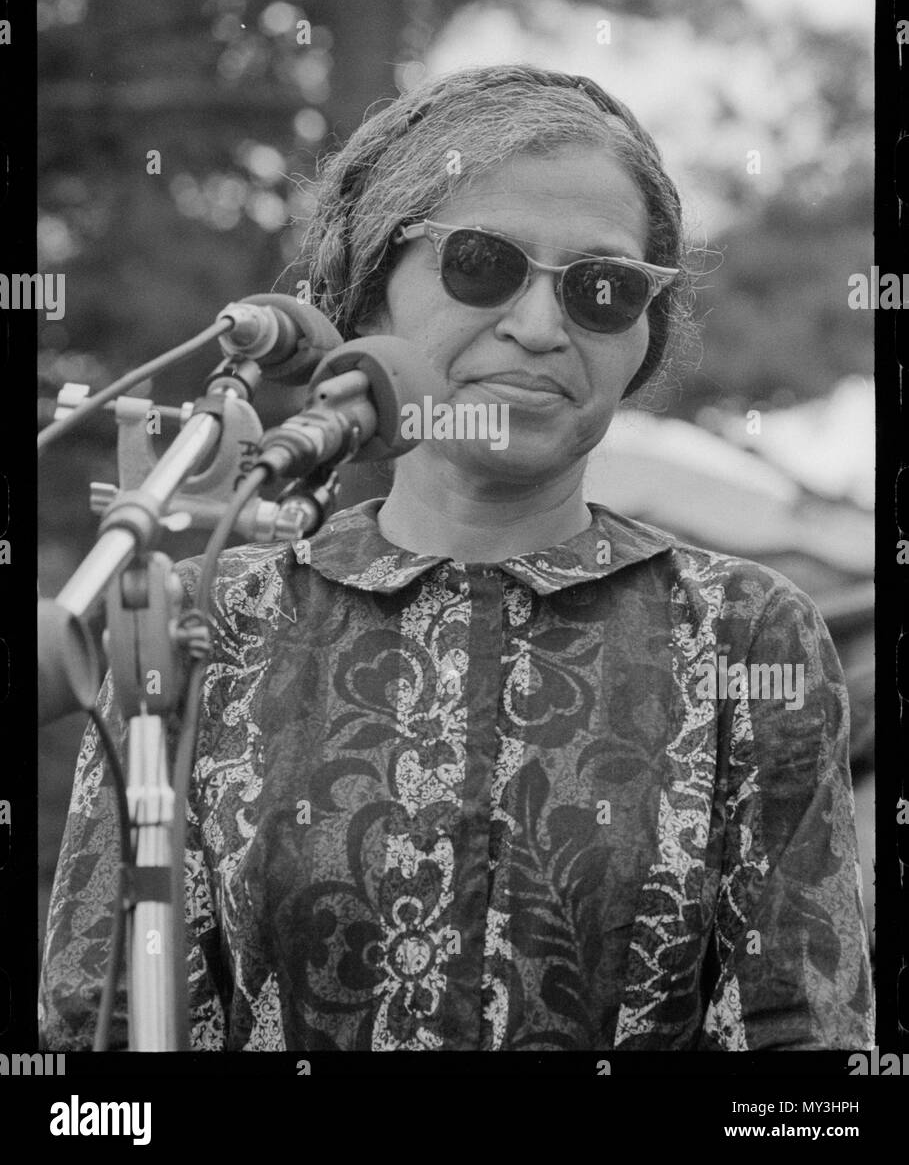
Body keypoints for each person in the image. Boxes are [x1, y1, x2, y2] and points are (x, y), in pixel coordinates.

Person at [40, 64, 874, 1052]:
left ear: (641, 336)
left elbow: (803, 1049)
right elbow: (97, 1034)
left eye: (600, 288)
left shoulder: (745, 629)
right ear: (369, 294)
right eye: (482, 263)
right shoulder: (195, 618)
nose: (538, 327)